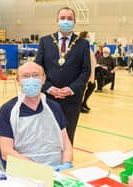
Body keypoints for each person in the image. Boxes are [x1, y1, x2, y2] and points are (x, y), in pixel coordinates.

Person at [0, 62, 73, 171]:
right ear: (18, 80)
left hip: (58, 170)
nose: (31, 79)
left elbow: (66, 143)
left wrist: (66, 163)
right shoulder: (7, 110)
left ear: (43, 78)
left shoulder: (54, 107)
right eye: (25, 76)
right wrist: (39, 170)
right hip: (26, 171)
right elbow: (6, 153)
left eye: (35, 75)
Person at [35, 7, 91, 144]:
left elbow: (86, 71)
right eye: (63, 18)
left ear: (74, 22)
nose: (66, 21)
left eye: (69, 18)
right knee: (47, 135)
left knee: (68, 135)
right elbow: (38, 69)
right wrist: (48, 87)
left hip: (71, 99)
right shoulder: (45, 41)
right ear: (57, 20)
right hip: (48, 97)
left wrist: (71, 89)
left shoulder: (83, 44)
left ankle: (66, 163)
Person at [79, 31, 96, 113]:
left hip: (91, 71)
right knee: (82, 89)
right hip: (85, 72)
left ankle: (84, 103)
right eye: (88, 36)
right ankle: (80, 105)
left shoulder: (87, 46)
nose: (89, 37)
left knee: (92, 86)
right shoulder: (81, 46)